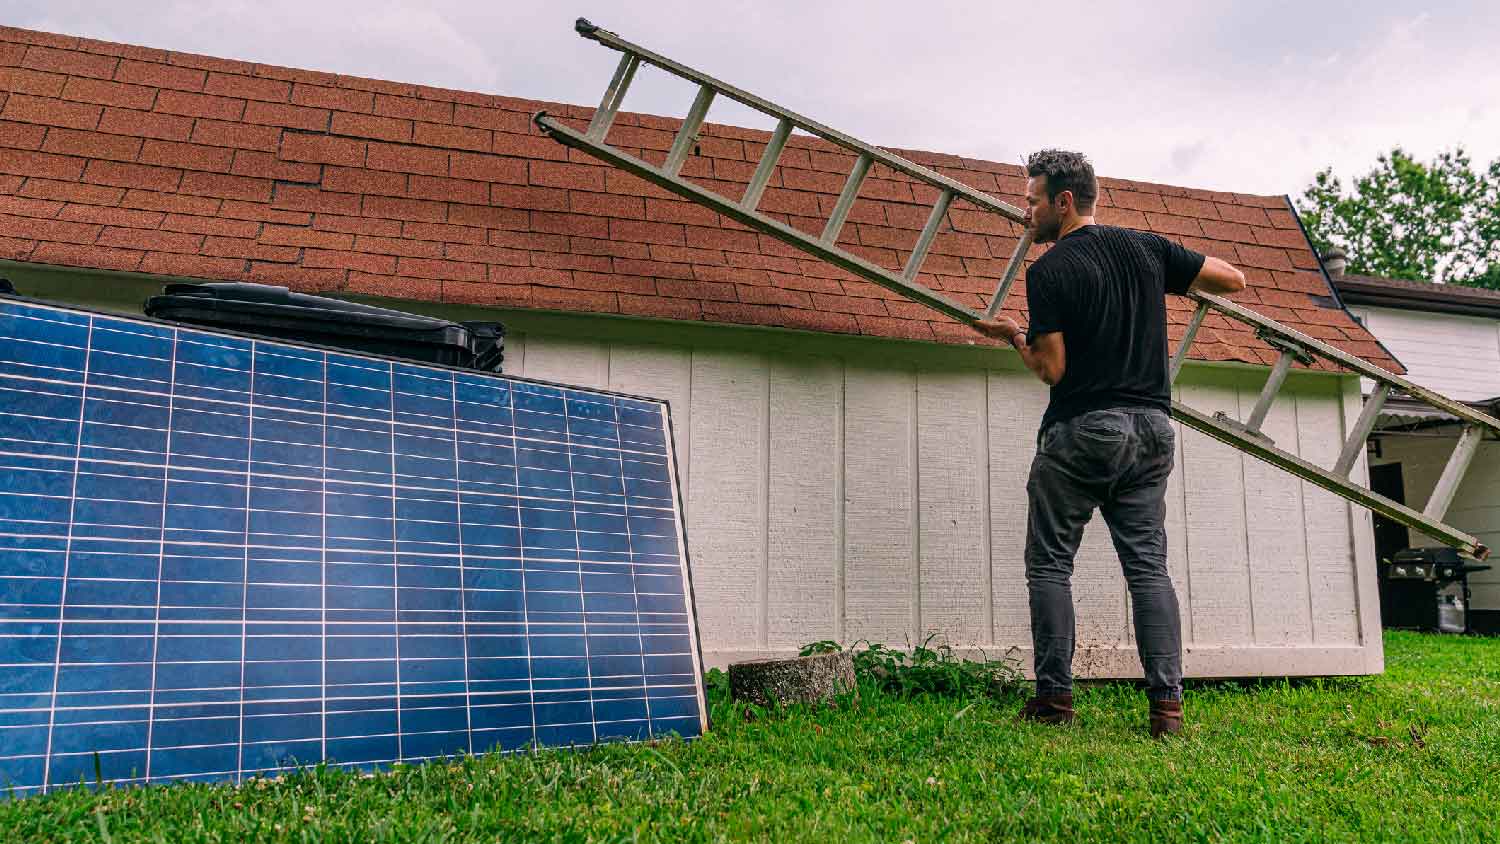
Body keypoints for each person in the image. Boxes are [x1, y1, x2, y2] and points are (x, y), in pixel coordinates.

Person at [974, 149, 1246, 738]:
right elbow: (1232, 278)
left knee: (1049, 565)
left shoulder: (1048, 271)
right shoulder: (1148, 249)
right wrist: (1165, 282)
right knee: (1148, 569)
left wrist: (1014, 335)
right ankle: (1167, 710)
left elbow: (1052, 368)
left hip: (1083, 430)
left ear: (1064, 202)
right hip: (1151, 429)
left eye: (1033, 200)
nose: (1028, 213)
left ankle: (1054, 700)